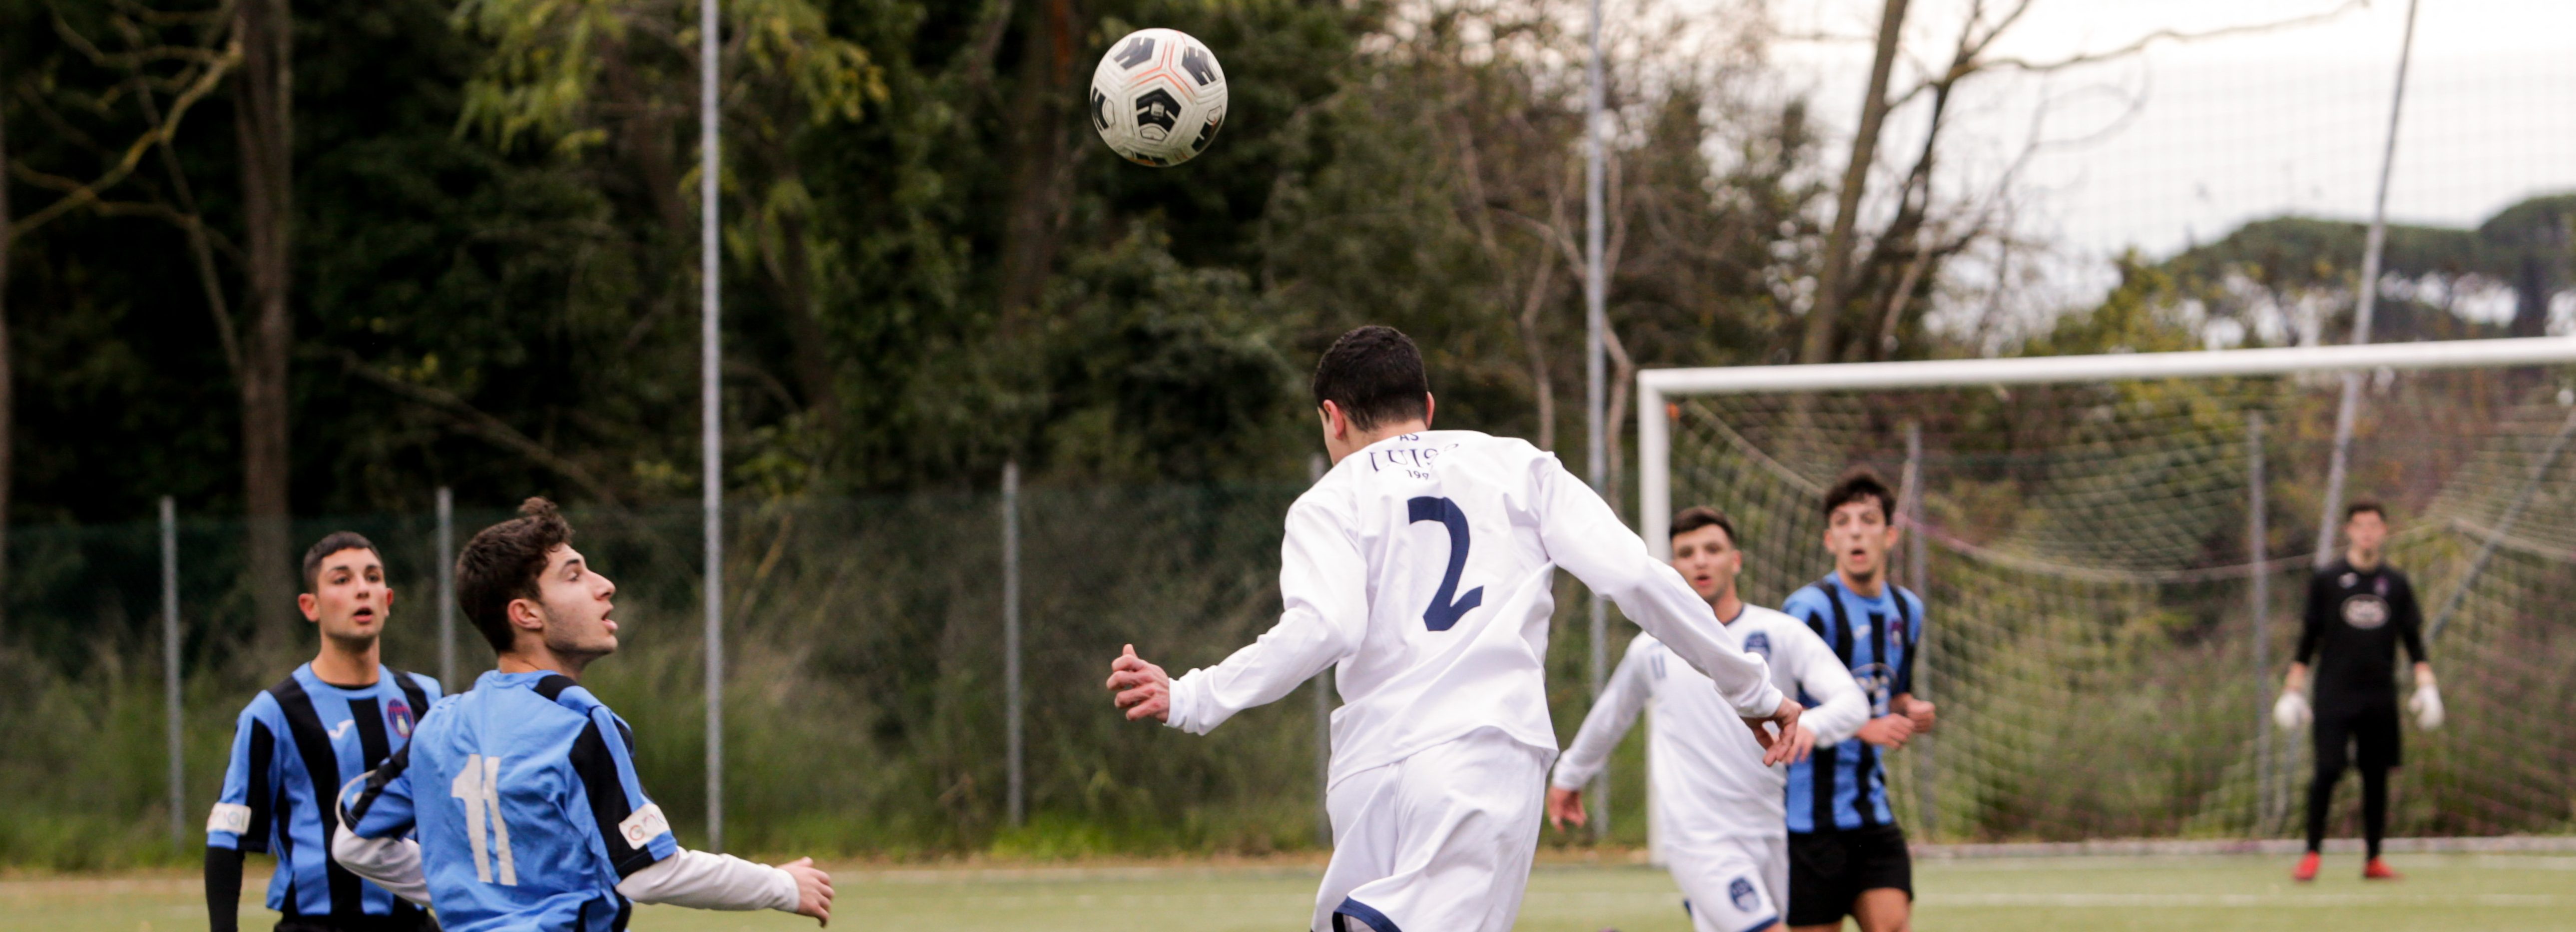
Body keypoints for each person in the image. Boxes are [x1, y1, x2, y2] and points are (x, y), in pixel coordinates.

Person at [1103, 325, 1805, 932]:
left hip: (1368, 769)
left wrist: (1194, 695)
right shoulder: (1518, 466)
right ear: (1429, 408)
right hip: (1482, 753)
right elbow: (1634, 578)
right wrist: (1749, 688)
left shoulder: (1327, 500)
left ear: (1331, 417)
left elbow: (1323, 626)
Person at [330, 498, 833, 931]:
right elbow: (648, 871)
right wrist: (781, 885)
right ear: (526, 614)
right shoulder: (577, 723)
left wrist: (461, 886)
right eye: (574, 575)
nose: (604, 584)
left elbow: (354, 843)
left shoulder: (440, 724)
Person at [1546, 506, 1870, 932]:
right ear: (1673, 567)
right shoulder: (1652, 650)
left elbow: (1852, 703)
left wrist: (1812, 725)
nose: (1700, 560)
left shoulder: (1779, 633)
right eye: (1687, 552)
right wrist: (1570, 775)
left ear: (1735, 560)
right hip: (1697, 837)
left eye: (1712, 549)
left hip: (1768, 829)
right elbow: (1610, 718)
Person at [207, 532, 442, 932]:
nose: (361, 590)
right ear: (310, 606)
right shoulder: (273, 713)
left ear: (388, 599)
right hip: (316, 925)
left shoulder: (426, 698)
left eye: (372, 577)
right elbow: (228, 839)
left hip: (411, 922)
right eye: (341, 580)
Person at [1778, 469, 1935, 932]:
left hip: (1870, 811)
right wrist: (1863, 726)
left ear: (1889, 535)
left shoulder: (1908, 610)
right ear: (1830, 540)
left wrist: (1910, 709)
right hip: (1809, 820)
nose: (1855, 531)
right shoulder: (1806, 610)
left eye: (1867, 520)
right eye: (1843, 522)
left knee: (1892, 925)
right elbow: (1780, 707)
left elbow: (1892, 692)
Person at [2273, 501, 2440, 883]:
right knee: (2328, 770)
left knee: (2376, 776)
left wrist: (2426, 683)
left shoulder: (2396, 584)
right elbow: (2308, 638)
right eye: (2360, 525)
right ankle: (2312, 854)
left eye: (2374, 526)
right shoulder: (2328, 580)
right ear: (2349, 530)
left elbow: (2413, 640)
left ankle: (2374, 859)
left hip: (2379, 695)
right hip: (2334, 693)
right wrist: (2293, 689)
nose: (2367, 532)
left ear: (2384, 531)